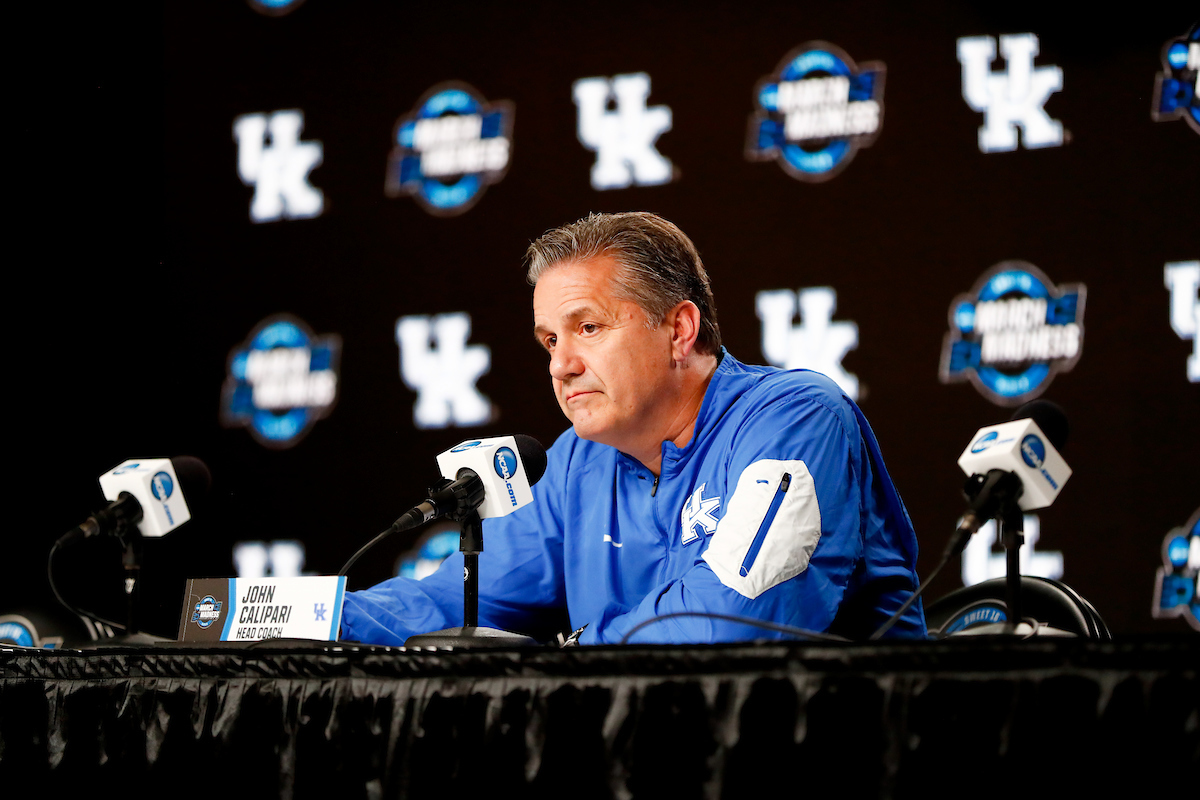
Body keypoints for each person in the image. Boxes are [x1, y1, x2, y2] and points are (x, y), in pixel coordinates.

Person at [340, 212, 925, 645]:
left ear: (679, 330)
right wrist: (279, 613)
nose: (560, 365)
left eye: (587, 328)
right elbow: (446, 603)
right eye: (550, 340)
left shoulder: (796, 418)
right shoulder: (576, 463)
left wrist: (570, 652)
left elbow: (733, 619)